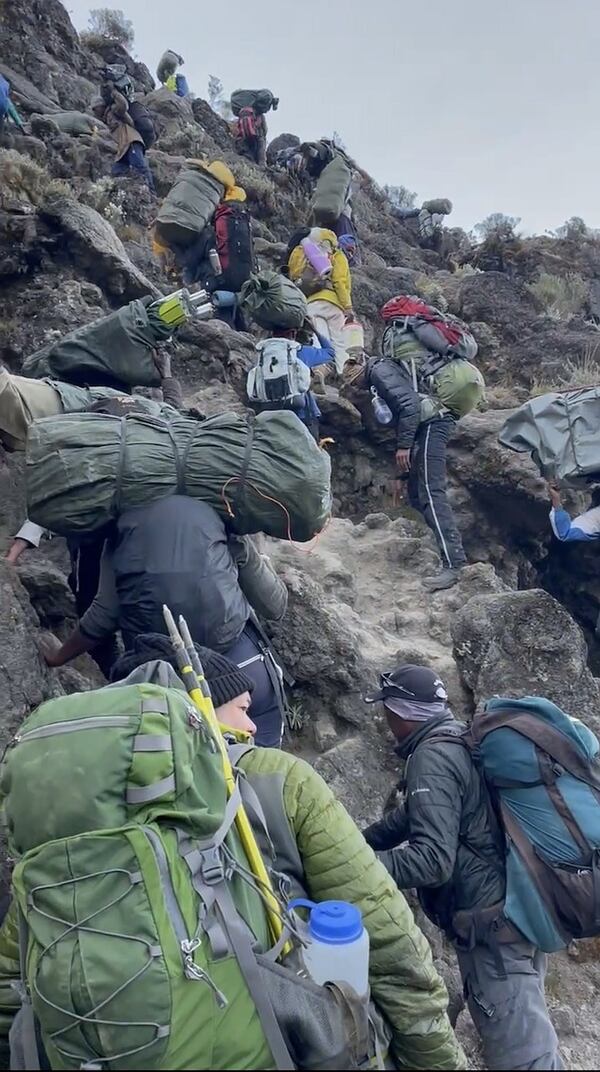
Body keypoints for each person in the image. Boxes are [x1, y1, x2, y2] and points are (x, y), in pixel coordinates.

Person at [0, 633, 466, 1071]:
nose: (250, 724)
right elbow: (391, 944)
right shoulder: (276, 777)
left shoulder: (67, 825)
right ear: (197, 713)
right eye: (242, 708)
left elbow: (12, 981)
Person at [362, 663, 562, 1072]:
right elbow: (415, 816)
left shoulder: (431, 758)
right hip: (520, 908)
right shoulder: (462, 739)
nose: (385, 721)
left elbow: (432, 861)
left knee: (525, 1058)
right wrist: (354, 842)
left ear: (402, 713)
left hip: (492, 932)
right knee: (528, 1034)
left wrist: (360, 868)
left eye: (387, 711)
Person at [40, 496, 288, 748]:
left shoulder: (120, 527)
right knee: (262, 769)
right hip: (241, 673)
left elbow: (103, 616)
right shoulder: (221, 514)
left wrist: (58, 657)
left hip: (162, 688)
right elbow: (274, 605)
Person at [366, 342, 467, 592]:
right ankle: (433, 553)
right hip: (429, 422)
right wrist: (402, 473)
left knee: (432, 493)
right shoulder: (392, 370)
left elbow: (410, 407)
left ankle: (454, 565)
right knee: (415, 492)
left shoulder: (379, 371)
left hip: (434, 422)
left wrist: (403, 447)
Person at [0, 349, 181, 452]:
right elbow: (174, 408)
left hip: (63, 413)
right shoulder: (178, 426)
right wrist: (167, 376)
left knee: (10, 394)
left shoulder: (163, 436)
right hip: (64, 405)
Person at [288, 228, 353, 374]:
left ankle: (320, 371)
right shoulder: (337, 255)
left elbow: (294, 274)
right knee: (340, 341)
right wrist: (347, 306)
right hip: (334, 304)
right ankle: (344, 374)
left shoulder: (304, 251)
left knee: (319, 339)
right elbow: (340, 282)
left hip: (311, 301)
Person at [258, 325, 335, 441]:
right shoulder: (300, 351)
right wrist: (315, 329)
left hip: (271, 414)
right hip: (303, 414)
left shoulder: (263, 353)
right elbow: (330, 352)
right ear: (293, 334)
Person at [93, 78, 155, 192]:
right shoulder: (106, 118)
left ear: (101, 106)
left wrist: (114, 92)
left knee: (140, 168)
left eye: (95, 108)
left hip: (131, 142)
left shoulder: (113, 110)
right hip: (123, 149)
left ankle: (152, 192)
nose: (94, 111)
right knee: (117, 172)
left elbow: (123, 106)